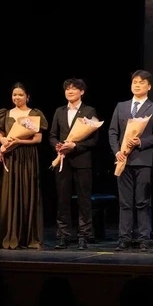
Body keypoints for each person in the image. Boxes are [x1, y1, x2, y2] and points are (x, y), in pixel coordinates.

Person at [108, 69, 153, 251]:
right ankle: (124, 238)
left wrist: (141, 142)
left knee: (142, 201)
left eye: (141, 82)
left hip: (143, 160)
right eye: (134, 82)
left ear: (149, 86)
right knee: (125, 202)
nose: (137, 85)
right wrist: (117, 151)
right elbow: (113, 132)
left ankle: (143, 238)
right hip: (123, 160)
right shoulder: (121, 106)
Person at [0, 82, 49, 250]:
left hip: (27, 156)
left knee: (27, 192)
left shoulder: (34, 114)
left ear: (27, 97)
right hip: (10, 156)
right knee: (8, 194)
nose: (17, 97)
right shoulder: (5, 113)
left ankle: (27, 237)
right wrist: (4, 140)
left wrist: (19, 141)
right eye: (14, 95)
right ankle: (9, 235)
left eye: (20, 95)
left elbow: (38, 139)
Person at [48, 78, 99, 251]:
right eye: (67, 89)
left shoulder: (89, 110)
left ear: (81, 92)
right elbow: (52, 135)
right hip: (63, 160)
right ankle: (63, 236)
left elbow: (94, 140)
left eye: (74, 89)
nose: (70, 91)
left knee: (84, 200)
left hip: (82, 160)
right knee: (63, 199)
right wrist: (58, 145)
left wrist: (75, 146)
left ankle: (84, 236)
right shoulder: (59, 111)